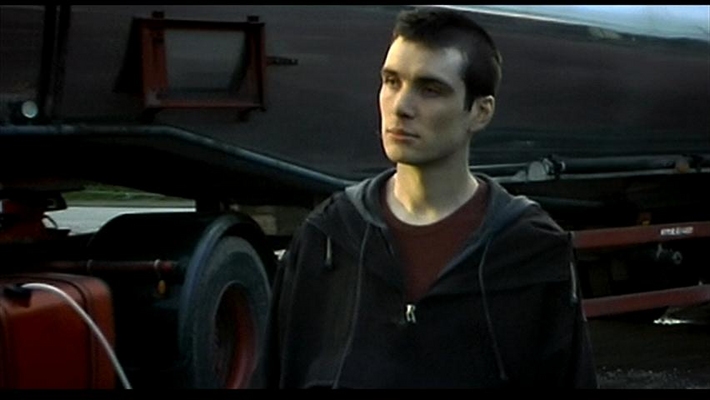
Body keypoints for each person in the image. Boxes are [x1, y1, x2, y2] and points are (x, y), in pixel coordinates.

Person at [250, 6, 598, 388]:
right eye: (391, 81)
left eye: (430, 89)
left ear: (480, 112)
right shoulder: (328, 237)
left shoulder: (530, 249)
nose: (401, 107)